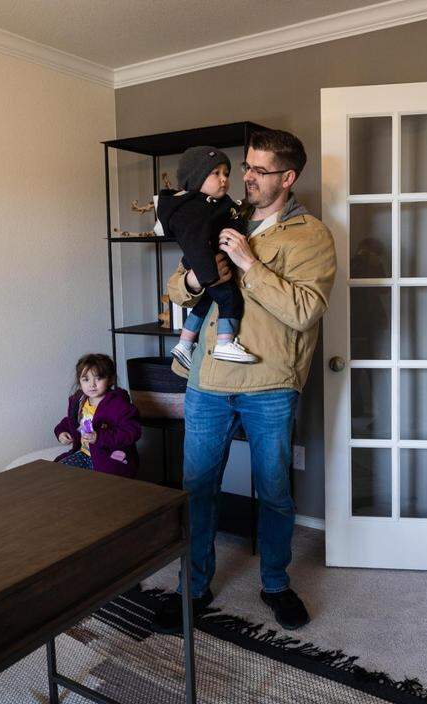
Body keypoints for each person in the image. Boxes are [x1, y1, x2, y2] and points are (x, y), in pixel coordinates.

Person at [151, 129, 336, 634]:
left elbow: (305, 311)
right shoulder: (217, 213)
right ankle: (194, 587)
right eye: (246, 166)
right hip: (208, 379)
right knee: (198, 488)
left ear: (287, 178)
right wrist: (193, 279)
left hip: (271, 384)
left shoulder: (310, 236)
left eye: (259, 170)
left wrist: (249, 265)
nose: (247, 176)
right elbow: (177, 284)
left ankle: (274, 583)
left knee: (275, 491)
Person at [158, 146, 257, 366]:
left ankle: (184, 344)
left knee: (204, 303)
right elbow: (195, 243)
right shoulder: (193, 209)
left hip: (208, 265)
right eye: (216, 173)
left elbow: (229, 215)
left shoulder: (211, 204)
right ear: (196, 178)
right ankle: (224, 343)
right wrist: (208, 274)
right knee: (230, 299)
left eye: (226, 174)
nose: (224, 179)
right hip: (208, 266)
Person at [54, 353, 141, 479]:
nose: (92, 384)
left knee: (96, 489)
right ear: (79, 381)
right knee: (57, 474)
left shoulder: (119, 405)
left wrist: (99, 437)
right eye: (86, 379)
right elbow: (71, 421)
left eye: (98, 378)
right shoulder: (79, 402)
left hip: (109, 461)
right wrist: (62, 432)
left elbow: (132, 432)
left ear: (110, 379)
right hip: (84, 455)